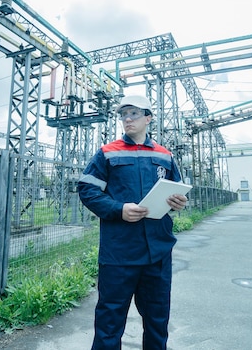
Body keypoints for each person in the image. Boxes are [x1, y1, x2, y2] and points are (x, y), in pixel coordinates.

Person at [78, 94, 188, 350]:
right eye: (123, 115)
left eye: (134, 113)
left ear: (148, 118)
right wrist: (118, 209)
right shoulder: (107, 153)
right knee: (109, 321)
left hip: (158, 252)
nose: (127, 119)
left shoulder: (165, 155)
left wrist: (179, 202)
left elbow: (178, 191)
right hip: (119, 253)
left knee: (158, 320)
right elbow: (87, 190)